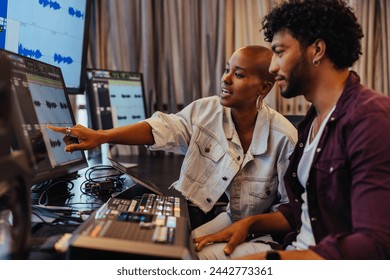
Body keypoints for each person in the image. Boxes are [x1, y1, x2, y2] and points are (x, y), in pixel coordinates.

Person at [49, 45, 297, 258]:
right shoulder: (205, 111)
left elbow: (291, 212)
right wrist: (101, 136)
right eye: (226, 69)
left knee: (186, 257)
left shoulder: (284, 138)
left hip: (259, 232)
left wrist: (249, 225)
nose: (226, 79)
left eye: (239, 74)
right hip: (230, 217)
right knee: (168, 246)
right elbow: (163, 128)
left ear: (263, 89)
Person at [194, 0, 390, 260]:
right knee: (186, 251)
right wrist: (249, 224)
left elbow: (374, 246)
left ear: (317, 50)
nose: (273, 67)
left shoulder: (369, 119)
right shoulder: (312, 121)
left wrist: (272, 262)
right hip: (294, 249)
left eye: (279, 52)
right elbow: (305, 210)